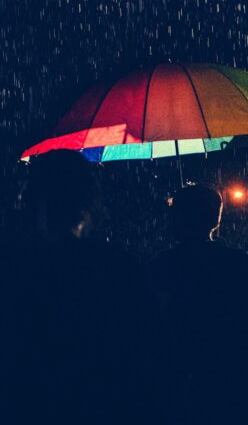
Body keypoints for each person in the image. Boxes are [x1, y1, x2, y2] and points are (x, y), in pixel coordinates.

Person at [0, 150, 156, 424]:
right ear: (89, 199)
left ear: (30, 198)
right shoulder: (116, 267)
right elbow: (145, 353)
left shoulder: (14, 266)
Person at [151, 184, 248, 424]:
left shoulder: (164, 266)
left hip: (181, 381)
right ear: (216, 217)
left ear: (179, 218)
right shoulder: (241, 264)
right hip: (232, 379)